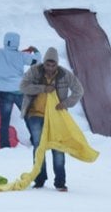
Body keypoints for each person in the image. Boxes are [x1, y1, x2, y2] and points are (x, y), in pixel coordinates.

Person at [19, 47, 84, 191]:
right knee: (38, 145)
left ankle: (60, 182)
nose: (50, 67)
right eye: (47, 64)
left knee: (57, 146)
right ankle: (40, 179)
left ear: (57, 64)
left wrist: (65, 103)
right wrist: (42, 88)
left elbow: (79, 90)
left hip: (56, 116)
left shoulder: (65, 75)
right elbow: (23, 87)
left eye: (53, 64)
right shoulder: (34, 71)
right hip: (35, 114)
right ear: (43, 63)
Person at [0, 32, 39, 148]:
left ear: (5, 41)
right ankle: (36, 140)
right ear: (17, 43)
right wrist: (36, 51)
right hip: (19, 91)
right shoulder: (21, 56)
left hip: (4, 92)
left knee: (4, 120)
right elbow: (36, 61)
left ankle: (4, 145)